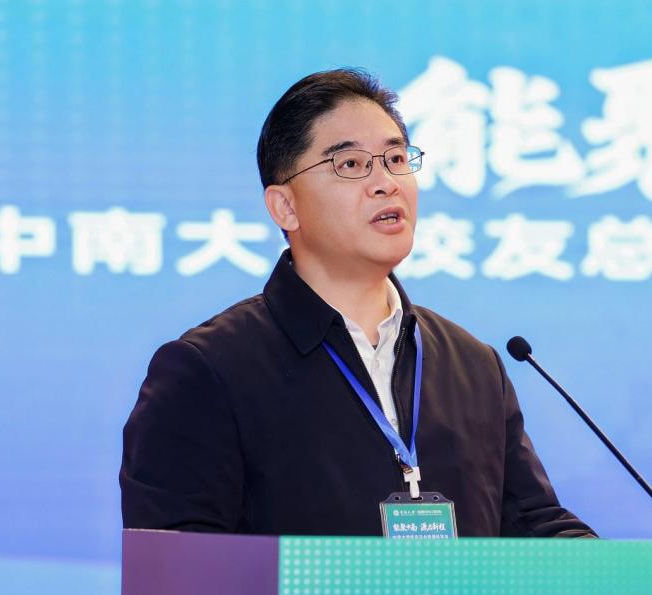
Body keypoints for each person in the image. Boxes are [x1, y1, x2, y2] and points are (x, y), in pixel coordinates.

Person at [120, 68, 594, 538]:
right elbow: (177, 568)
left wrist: (620, 570)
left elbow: (535, 527)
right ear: (285, 206)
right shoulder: (208, 371)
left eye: (396, 158)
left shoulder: (474, 366)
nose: (386, 182)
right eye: (350, 164)